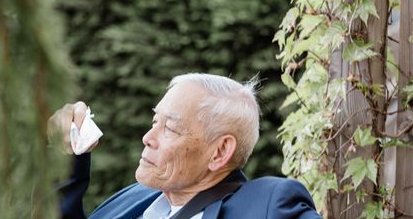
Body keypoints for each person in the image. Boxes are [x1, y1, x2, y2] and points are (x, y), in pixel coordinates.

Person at [51, 73, 321, 219]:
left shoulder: (268, 204)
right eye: (155, 121)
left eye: (169, 127)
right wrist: (63, 157)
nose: (148, 137)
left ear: (219, 152)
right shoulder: (137, 197)